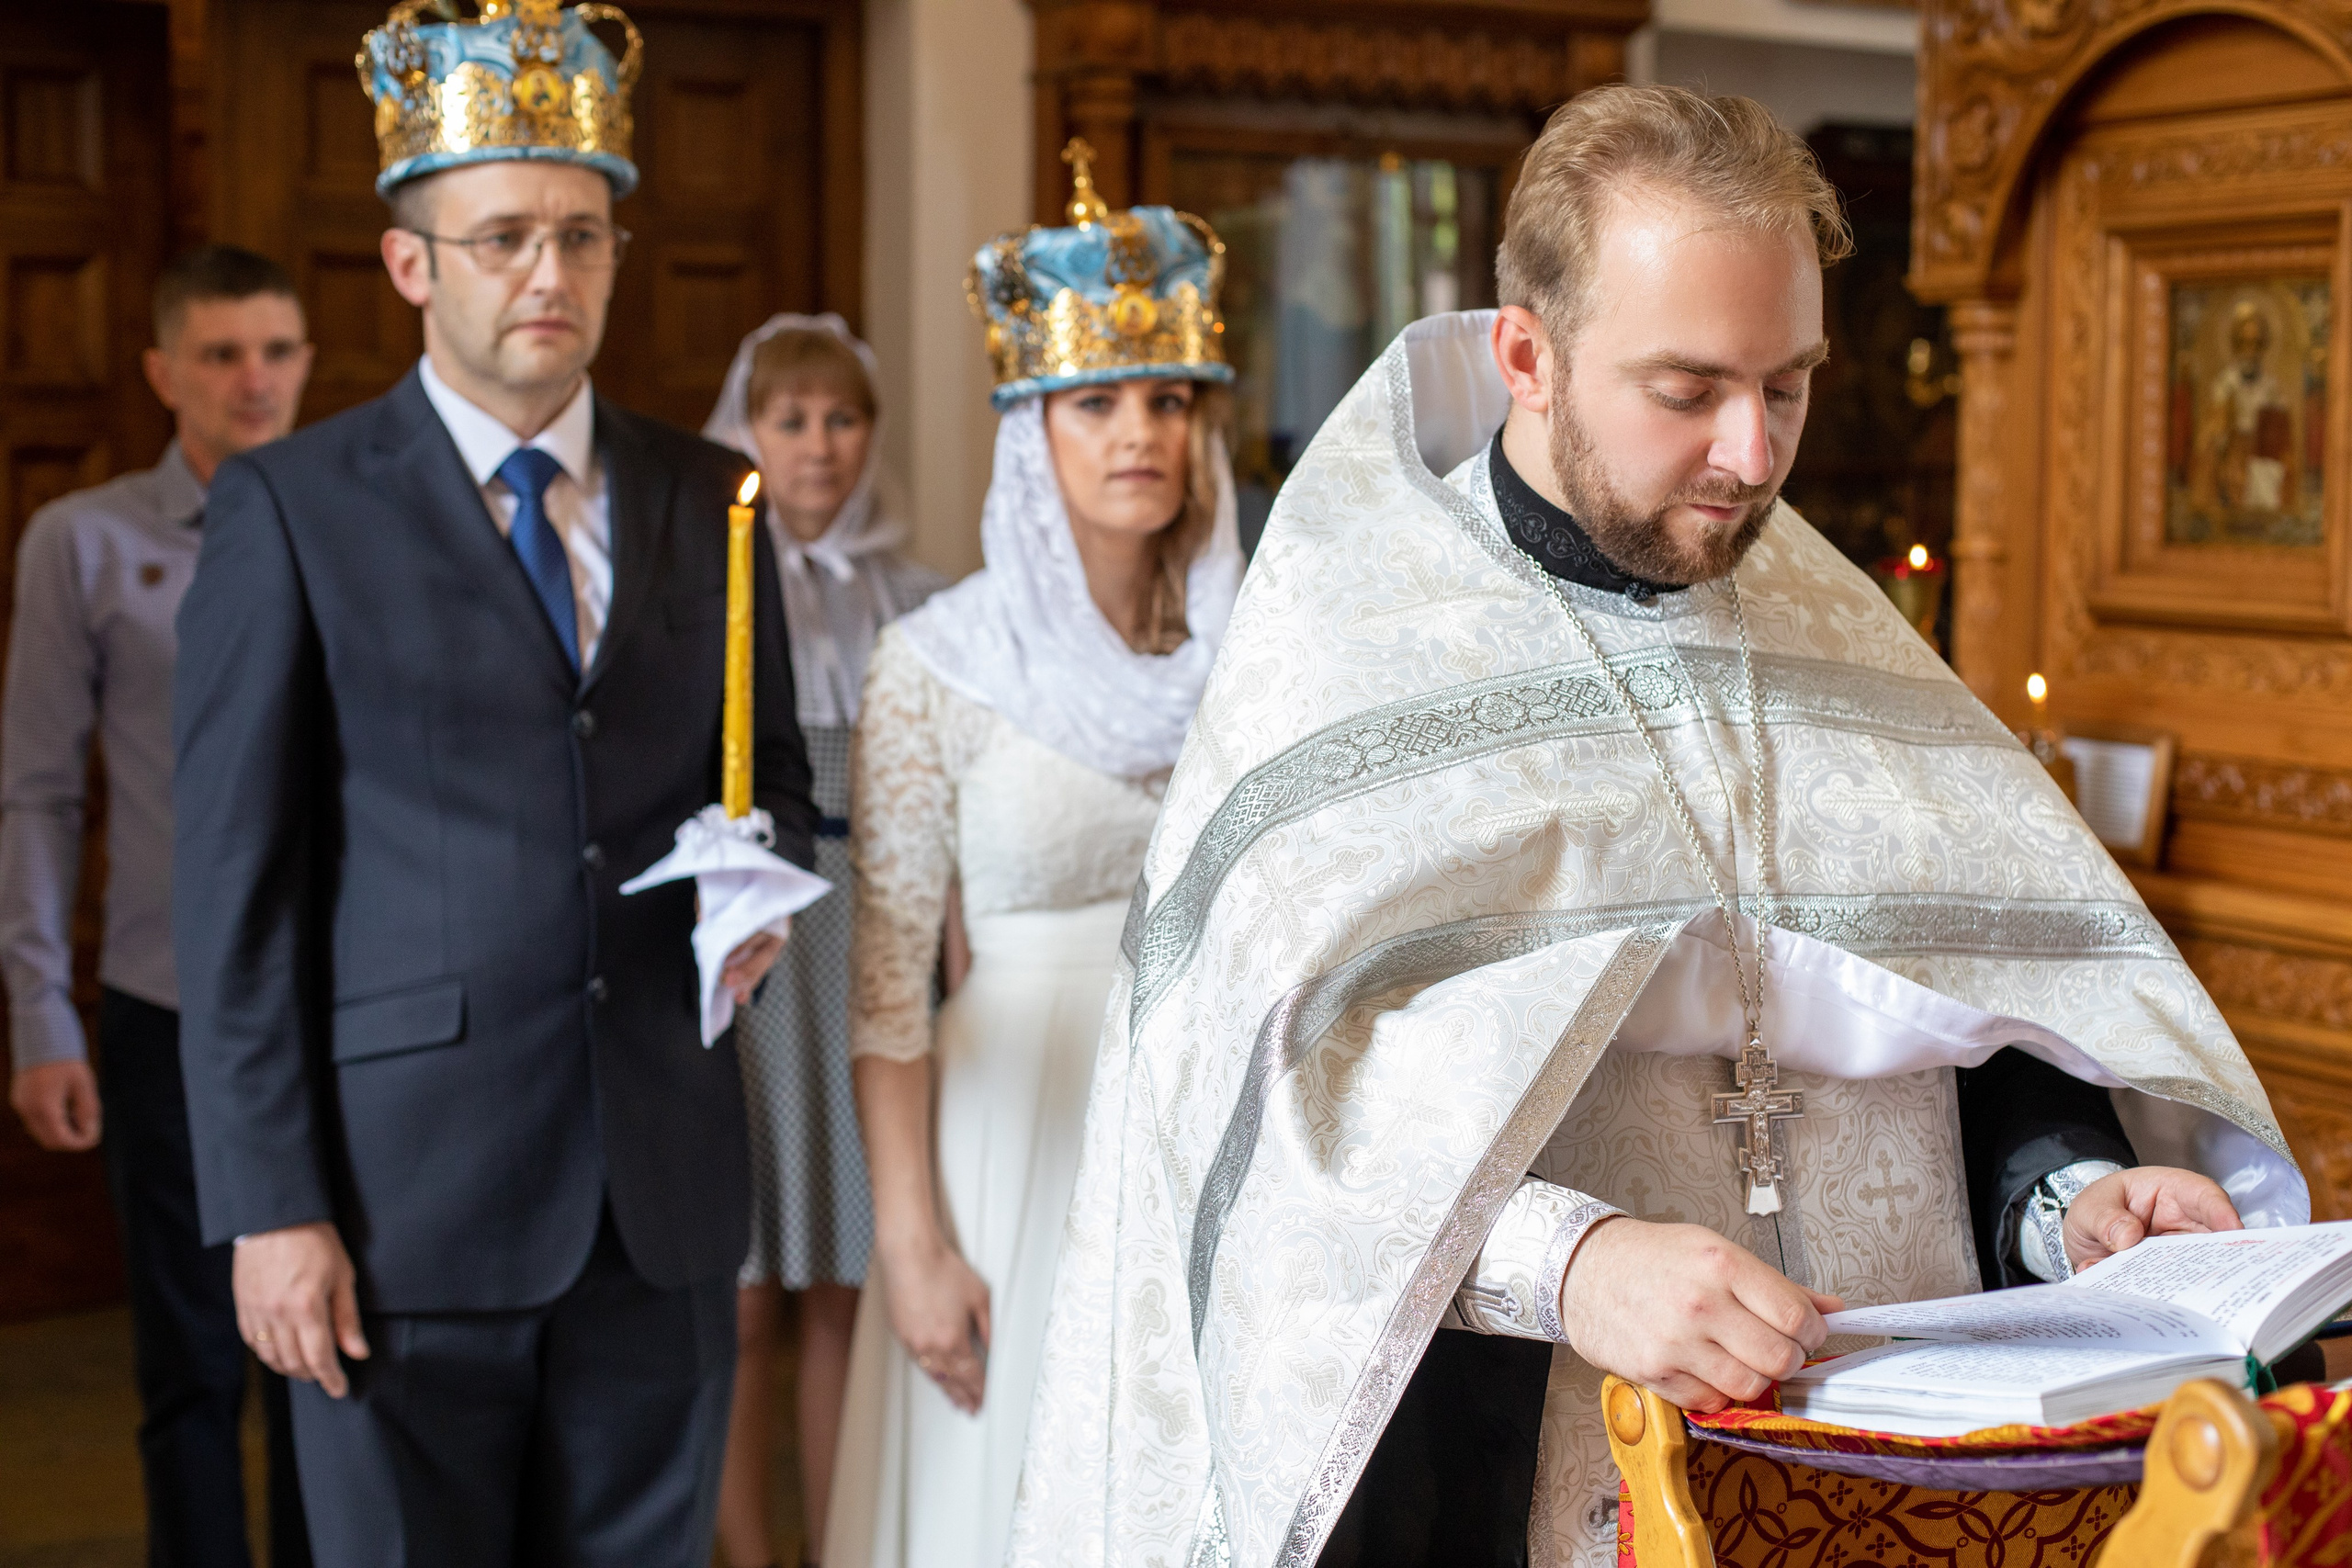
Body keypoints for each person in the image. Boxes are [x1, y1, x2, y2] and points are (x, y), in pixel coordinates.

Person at [1008, 86, 2305, 1568]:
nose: (1752, 457)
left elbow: (1986, 991)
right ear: (1527, 354)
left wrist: (2068, 1200)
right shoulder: (1350, 651)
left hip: (1913, 1477)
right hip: (1525, 1468)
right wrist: (1571, 1262)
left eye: (1791, 384)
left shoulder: (1838, 631)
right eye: (1687, 391)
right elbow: (1255, 1100)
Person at [170, 5, 816, 1563]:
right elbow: (235, 897)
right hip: (398, 1211)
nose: (550, 273)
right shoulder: (294, 508)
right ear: (414, 266)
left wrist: (765, 874)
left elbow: (775, 770)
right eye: (505, 236)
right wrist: (271, 1207)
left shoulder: (704, 494)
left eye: (582, 236)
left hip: (656, 1185)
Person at [824, 141, 1243, 1568]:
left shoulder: (1250, 662)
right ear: (1032, 431)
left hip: (1205, 1137)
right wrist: (914, 1244)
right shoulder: (934, 665)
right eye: (1096, 402)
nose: (1140, 433)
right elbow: (887, 988)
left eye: (1169, 401)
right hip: (1009, 1141)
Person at [2, 244, 313, 1568]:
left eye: (278, 352)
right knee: (191, 1359)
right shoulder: (82, 541)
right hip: (165, 1008)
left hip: (337, 1003)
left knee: (333, 1351)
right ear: (161, 370)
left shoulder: (348, 524)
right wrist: (38, 1018)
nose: (255, 381)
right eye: (223, 354)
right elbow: (34, 792)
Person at [702, 315, 944, 1568]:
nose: (818, 447)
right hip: (754, 932)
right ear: (747, 434)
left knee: (846, 1279)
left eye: (841, 420)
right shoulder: (705, 589)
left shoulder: (912, 597)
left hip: (872, 923)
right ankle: (743, 1547)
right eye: (789, 421)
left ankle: (841, 1539)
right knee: (743, 1295)